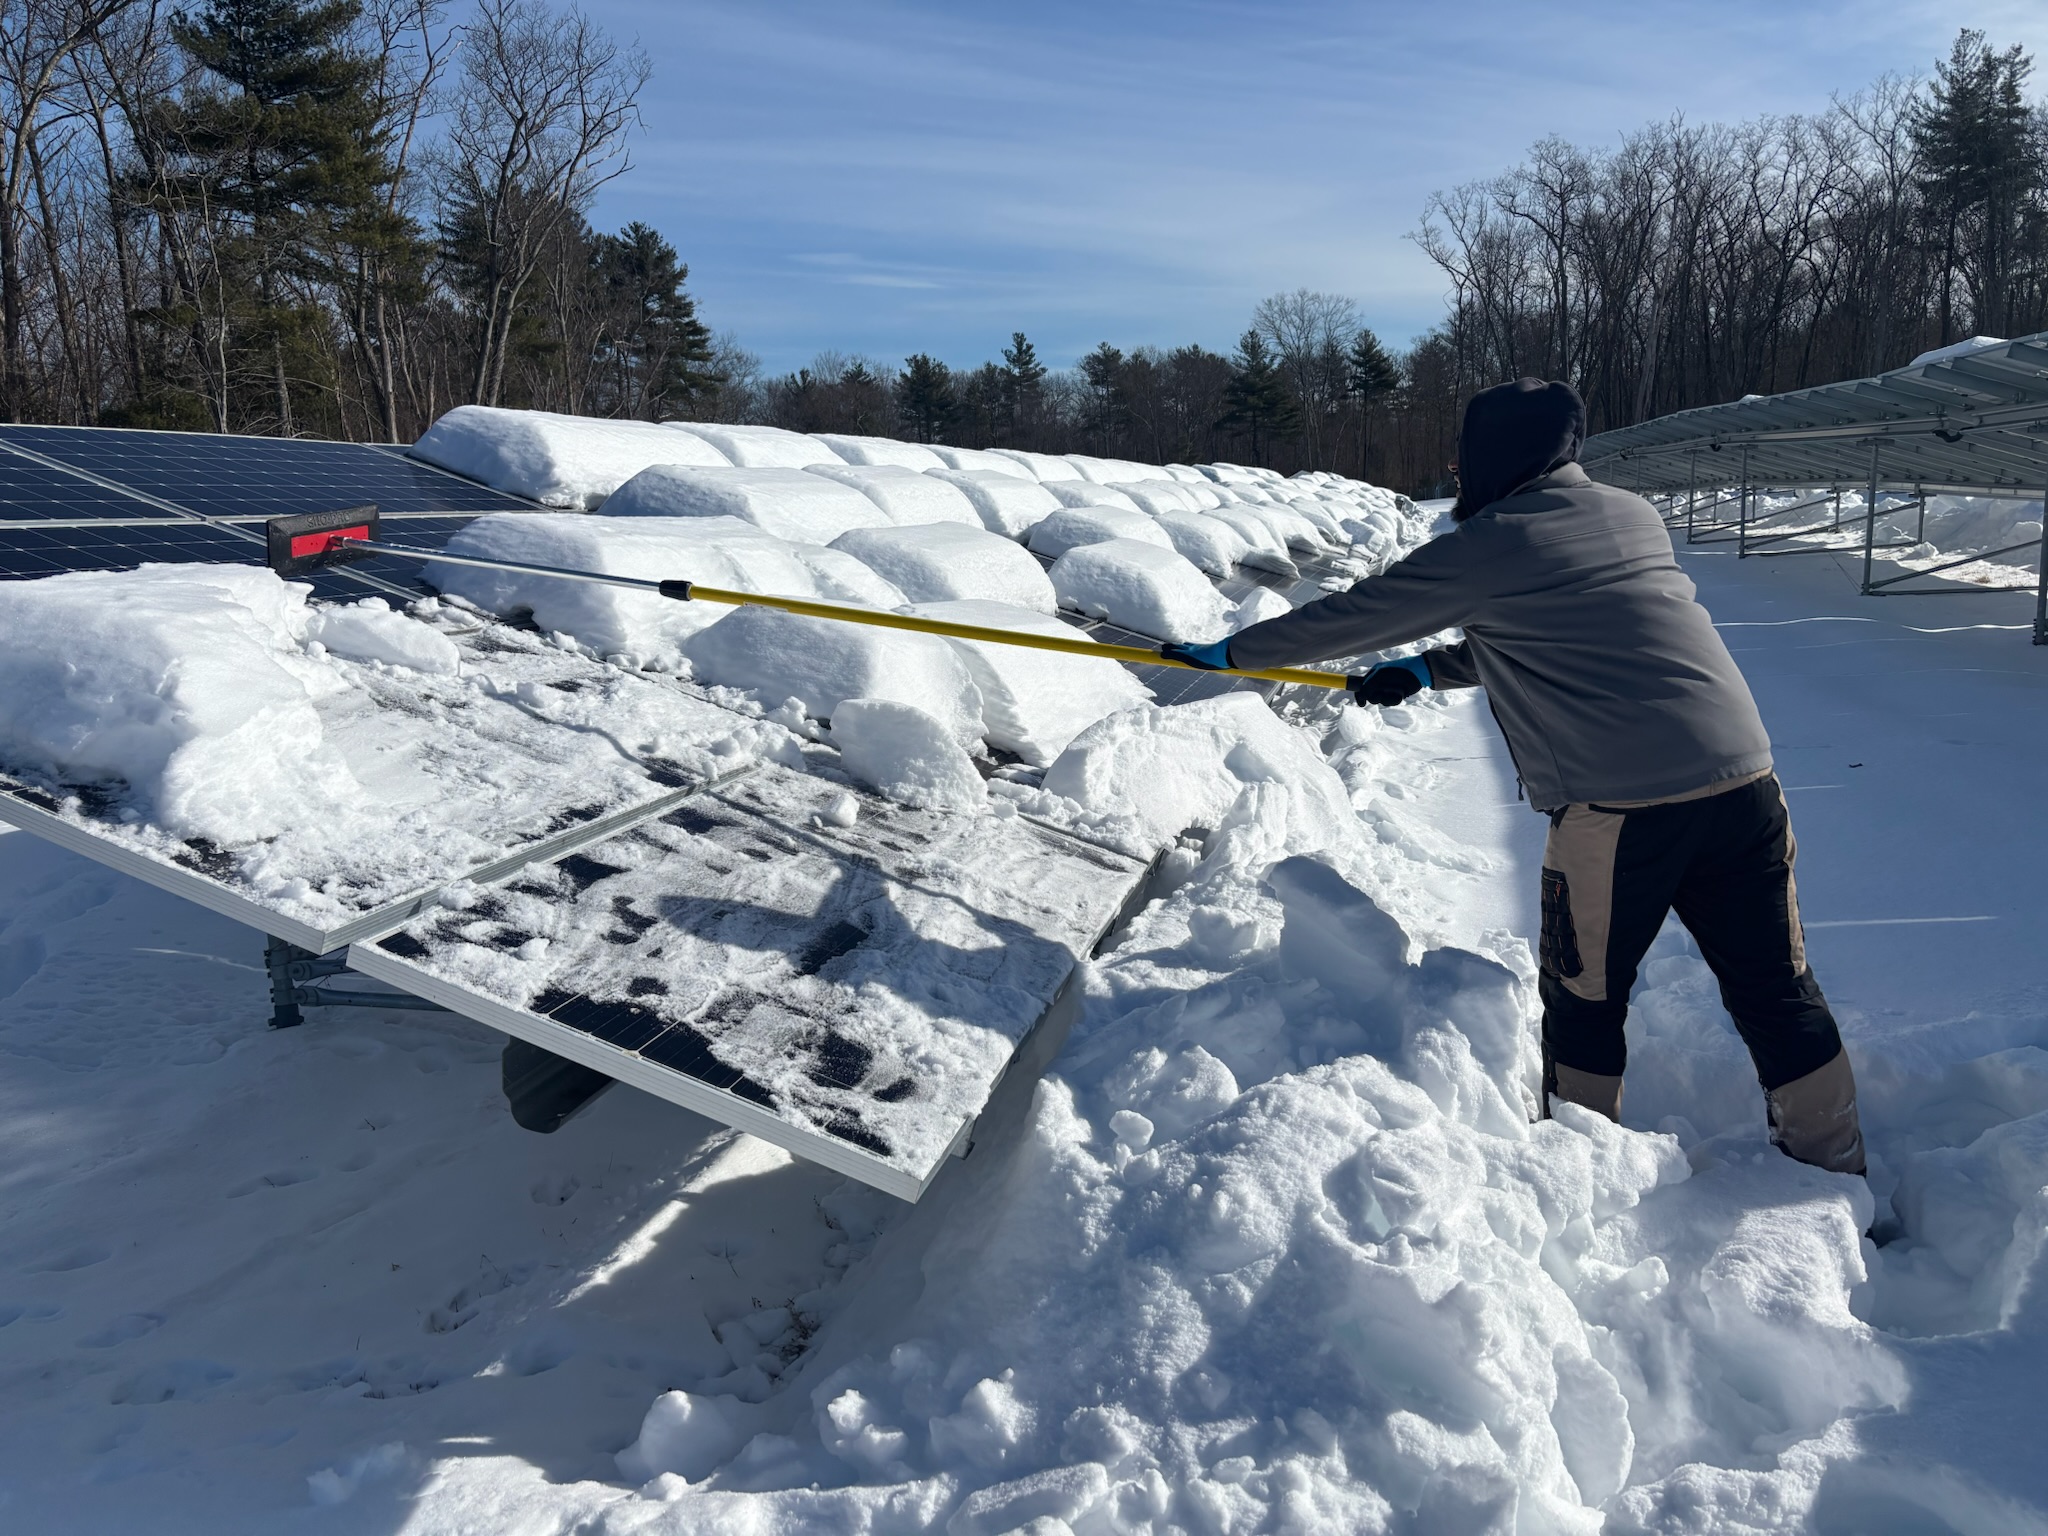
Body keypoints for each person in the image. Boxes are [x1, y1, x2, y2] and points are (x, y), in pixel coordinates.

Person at [1163, 377, 1865, 1175]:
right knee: (1778, 986)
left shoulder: (1491, 544)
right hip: (1747, 786)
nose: (1458, 477)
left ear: (1494, 457)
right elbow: (1560, 626)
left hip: (1623, 810)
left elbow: (1360, 612)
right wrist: (1428, 670)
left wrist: (1234, 651)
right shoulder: (1629, 513)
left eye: (1463, 461)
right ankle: (1834, 1168)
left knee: (1583, 995)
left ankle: (1582, 1177)